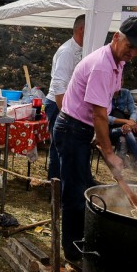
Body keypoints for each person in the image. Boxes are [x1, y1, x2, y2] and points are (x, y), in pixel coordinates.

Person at [53, 17, 137, 262]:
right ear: (116, 37)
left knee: (85, 185)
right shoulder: (102, 65)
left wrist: (98, 137)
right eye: (130, 45)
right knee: (74, 193)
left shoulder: (117, 62)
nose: (133, 52)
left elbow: (102, 108)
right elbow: (98, 114)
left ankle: (80, 237)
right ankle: (72, 250)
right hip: (72, 128)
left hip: (81, 128)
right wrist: (109, 152)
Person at [44, 14, 85, 179]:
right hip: (57, 104)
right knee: (58, 145)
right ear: (82, 29)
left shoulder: (82, 50)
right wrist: (64, 113)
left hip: (71, 104)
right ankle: (55, 183)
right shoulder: (67, 51)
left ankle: (66, 180)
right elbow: (58, 84)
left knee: (68, 146)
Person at [109, 87, 137, 170]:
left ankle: (118, 169)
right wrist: (127, 121)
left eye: (121, 80)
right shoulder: (106, 93)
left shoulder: (126, 93)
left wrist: (130, 123)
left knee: (124, 135)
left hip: (122, 128)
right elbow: (105, 118)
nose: (119, 82)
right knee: (126, 132)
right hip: (107, 130)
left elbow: (133, 110)